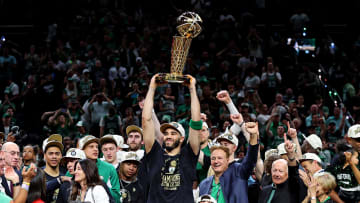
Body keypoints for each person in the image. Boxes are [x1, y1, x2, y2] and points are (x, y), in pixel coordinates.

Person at [141, 74, 202, 202]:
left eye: (173, 134)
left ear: (182, 138)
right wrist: (152, 87)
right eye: (166, 133)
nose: (168, 136)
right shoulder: (155, 154)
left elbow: (196, 123)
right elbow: (146, 120)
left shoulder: (188, 155)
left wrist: (192, 89)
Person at [199, 122, 259, 203]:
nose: (216, 161)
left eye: (220, 158)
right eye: (213, 158)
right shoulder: (204, 184)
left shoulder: (239, 170)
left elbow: (251, 159)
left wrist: (253, 136)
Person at [258, 137, 307, 203]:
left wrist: (291, 155)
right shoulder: (265, 191)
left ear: (287, 173)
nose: (277, 174)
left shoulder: (292, 187)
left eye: (280, 171)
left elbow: (293, 170)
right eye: (275, 170)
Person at [78, 135, 121, 203]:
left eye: (97, 147)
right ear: (82, 150)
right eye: (91, 147)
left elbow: (117, 197)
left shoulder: (109, 168)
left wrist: (102, 185)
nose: (95, 149)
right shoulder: (76, 167)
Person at [42, 134, 65, 203]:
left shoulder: (65, 174)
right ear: (45, 156)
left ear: (61, 156)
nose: (54, 156)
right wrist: (59, 180)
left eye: (57, 154)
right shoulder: (38, 173)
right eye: (51, 153)